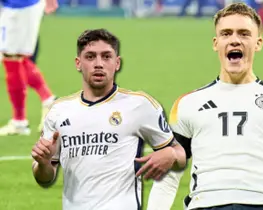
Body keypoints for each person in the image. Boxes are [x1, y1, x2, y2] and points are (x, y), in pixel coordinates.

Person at [147, 3, 263, 210]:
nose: (235, 39)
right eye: (226, 34)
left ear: (258, 43)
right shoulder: (187, 104)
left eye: (244, 34)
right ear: (216, 43)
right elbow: (168, 178)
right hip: (206, 204)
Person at [31, 29, 187, 210]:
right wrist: (43, 163)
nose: (99, 64)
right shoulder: (59, 111)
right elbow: (45, 177)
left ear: (117, 63)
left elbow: (180, 154)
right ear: (78, 63)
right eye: (90, 57)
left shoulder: (139, 105)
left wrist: (172, 154)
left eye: (106, 57)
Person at [0, 0, 59, 136]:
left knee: (12, 59)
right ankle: (49, 101)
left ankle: (19, 122)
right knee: (16, 58)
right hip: (18, 6)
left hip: (20, 6)